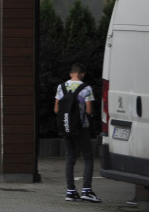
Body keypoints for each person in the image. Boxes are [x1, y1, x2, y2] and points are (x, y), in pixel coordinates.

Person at [55, 63, 100, 202]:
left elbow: (56, 109)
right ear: (83, 74)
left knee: (70, 158)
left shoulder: (61, 87)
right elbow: (88, 110)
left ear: (70, 74)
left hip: (66, 127)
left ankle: (70, 191)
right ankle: (86, 190)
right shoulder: (86, 88)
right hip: (82, 127)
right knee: (88, 158)